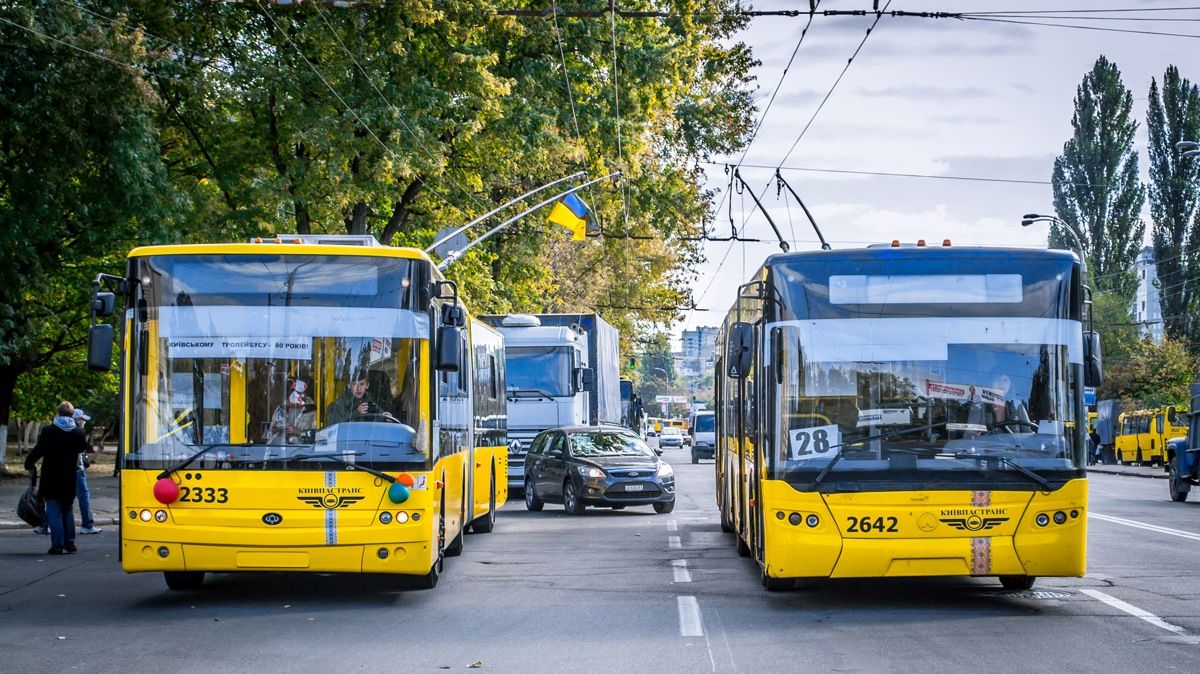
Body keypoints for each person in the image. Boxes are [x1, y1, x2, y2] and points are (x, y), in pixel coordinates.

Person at [25, 402, 89, 554]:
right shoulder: (78, 433)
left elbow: (39, 450)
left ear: (58, 413)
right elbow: (82, 448)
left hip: (51, 476)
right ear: (72, 415)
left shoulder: (49, 430)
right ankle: (70, 544)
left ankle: (57, 545)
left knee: (53, 510)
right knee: (67, 509)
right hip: (69, 477)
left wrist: (28, 462)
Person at [73, 409, 102, 534]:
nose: (84, 421)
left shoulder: (63, 430)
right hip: (77, 469)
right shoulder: (78, 432)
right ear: (76, 419)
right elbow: (81, 449)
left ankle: (46, 523)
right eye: (82, 419)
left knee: (59, 498)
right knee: (83, 495)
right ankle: (87, 525)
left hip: (65, 469)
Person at [268, 380, 315, 444]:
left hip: (303, 451)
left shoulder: (312, 411)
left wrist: (298, 432)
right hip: (281, 451)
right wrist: (274, 431)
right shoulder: (280, 409)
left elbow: (316, 437)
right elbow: (269, 435)